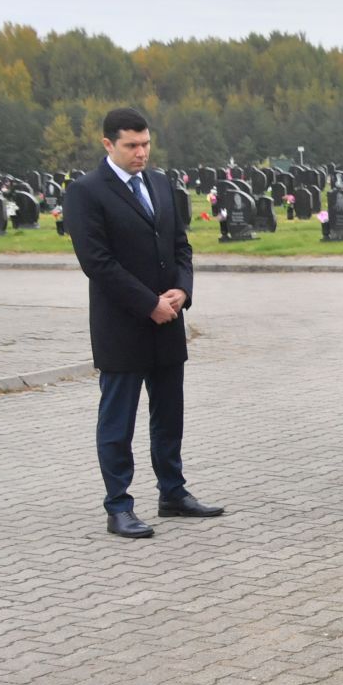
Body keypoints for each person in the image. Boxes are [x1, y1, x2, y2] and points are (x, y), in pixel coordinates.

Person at [63, 107, 223, 537]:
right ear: (108, 144)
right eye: (132, 145)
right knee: (118, 421)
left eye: (146, 144)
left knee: (169, 415)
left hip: (168, 321)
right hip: (123, 326)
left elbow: (180, 247)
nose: (141, 153)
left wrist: (182, 291)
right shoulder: (86, 191)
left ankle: (173, 492)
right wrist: (147, 303)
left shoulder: (159, 183)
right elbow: (97, 262)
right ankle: (119, 506)